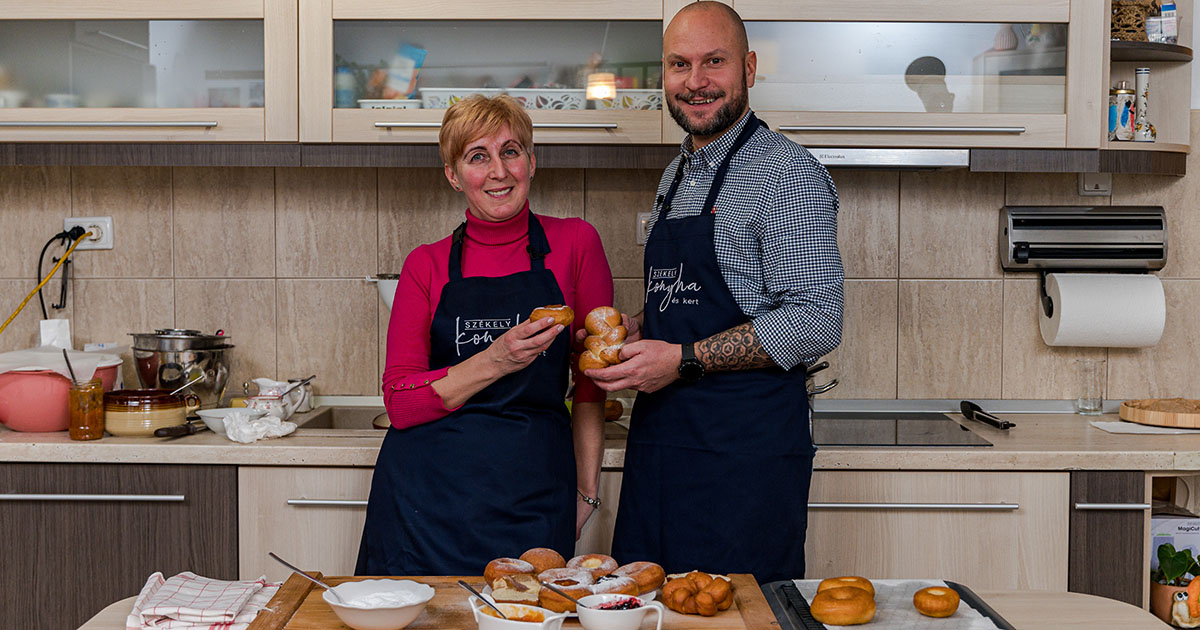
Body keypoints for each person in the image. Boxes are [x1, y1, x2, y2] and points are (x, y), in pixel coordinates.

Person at [585, 1, 844, 584]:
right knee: (645, 608)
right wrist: (640, 327)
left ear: (749, 68)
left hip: (743, 458)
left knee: (734, 616)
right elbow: (687, 300)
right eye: (680, 65)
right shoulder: (677, 173)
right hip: (662, 448)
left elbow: (817, 320)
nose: (695, 82)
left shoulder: (787, 172)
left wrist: (681, 359)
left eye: (714, 62)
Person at [357, 94, 613, 576]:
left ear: (531, 162)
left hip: (535, 493)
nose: (498, 171)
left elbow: (591, 384)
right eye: (478, 157)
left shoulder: (577, 242)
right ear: (454, 175)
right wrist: (495, 360)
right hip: (424, 501)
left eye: (510, 151)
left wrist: (587, 491)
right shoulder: (425, 264)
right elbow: (401, 401)